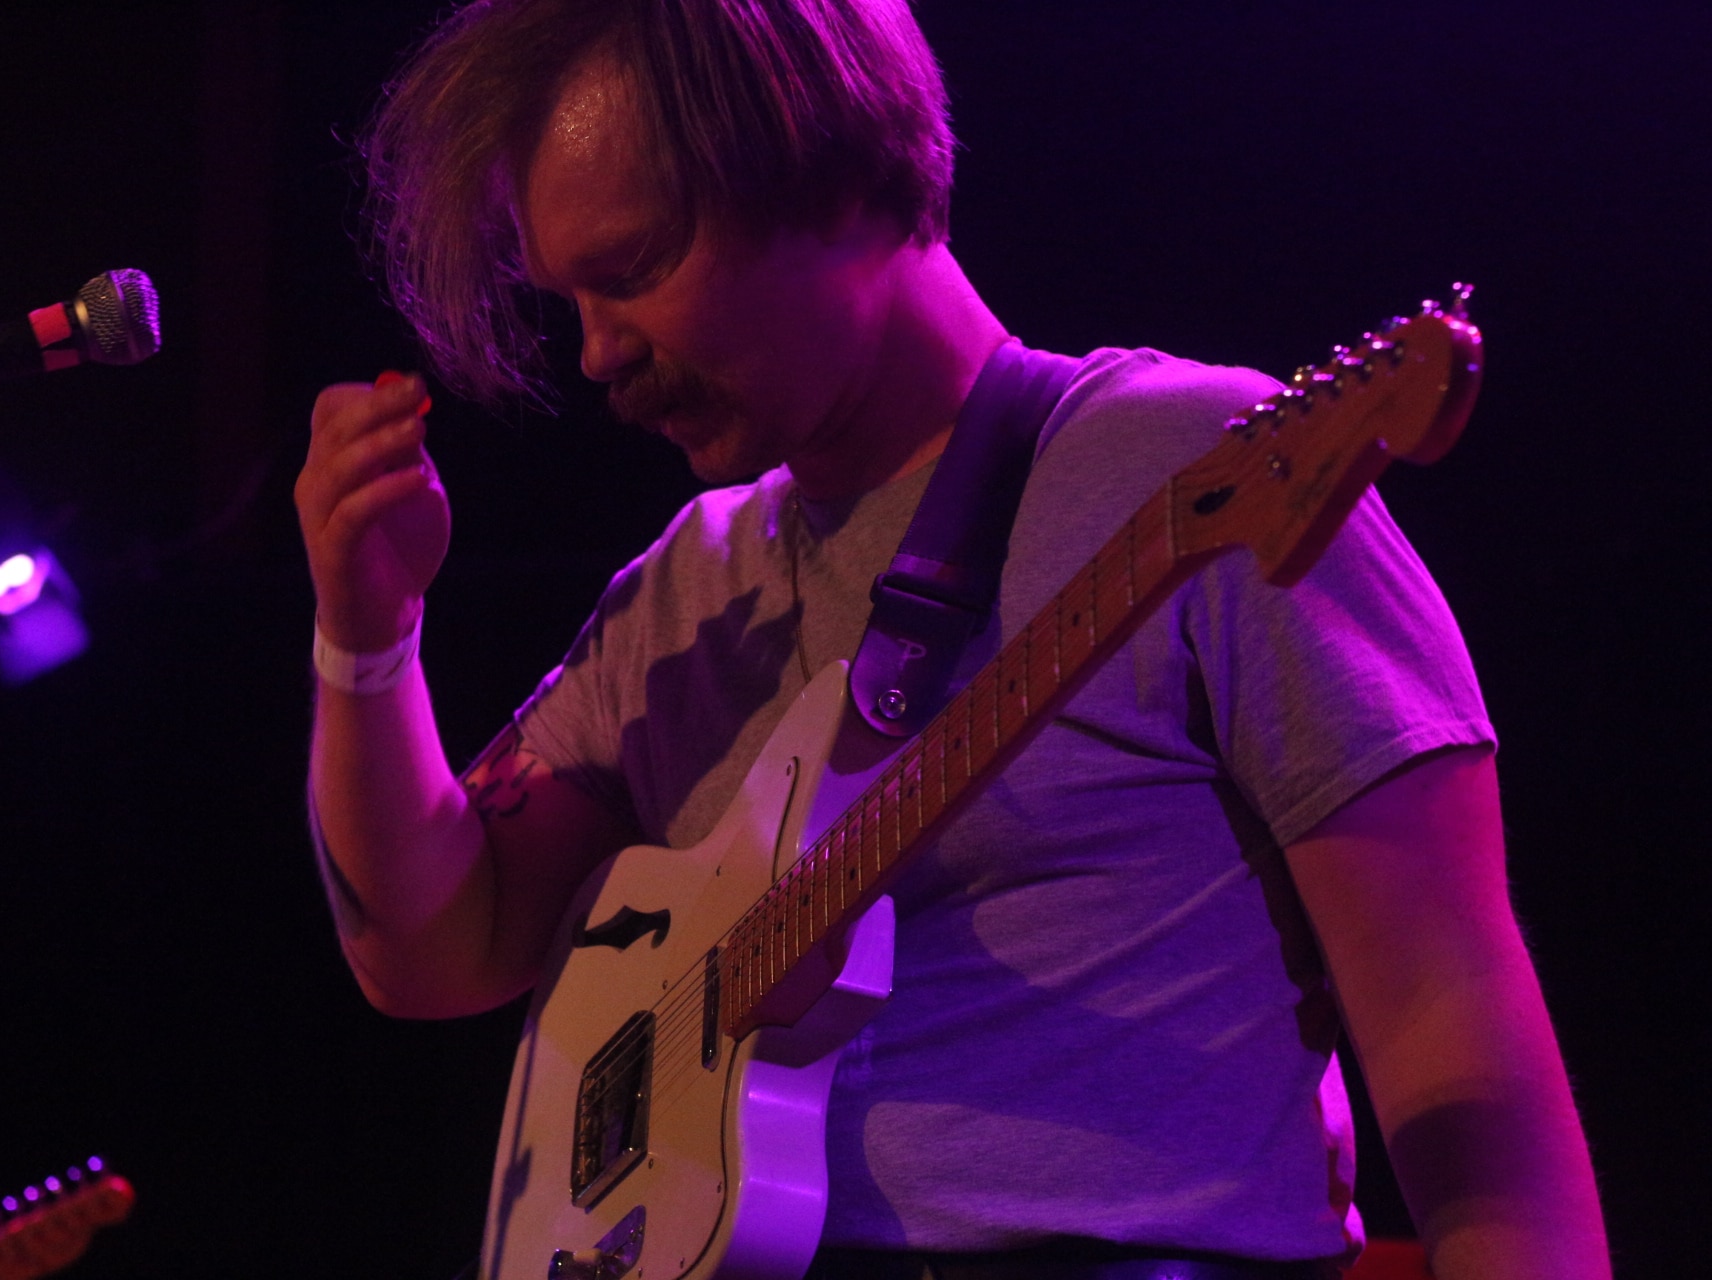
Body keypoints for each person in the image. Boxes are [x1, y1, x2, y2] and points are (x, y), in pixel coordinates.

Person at [293, 3, 1611, 1277]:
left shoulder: (1192, 466)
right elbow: (429, 950)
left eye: (633, 274)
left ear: (842, 175)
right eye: (569, 298)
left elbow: (1451, 1015)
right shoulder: (684, 594)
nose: (594, 355)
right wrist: (369, 639)